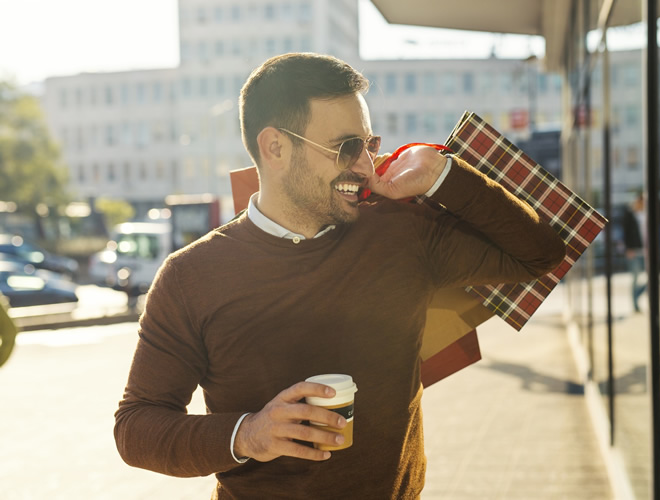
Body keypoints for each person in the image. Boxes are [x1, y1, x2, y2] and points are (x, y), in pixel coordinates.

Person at [113, 53, 566, 499]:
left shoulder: (401, 232)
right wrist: (248, 433)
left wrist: (442, 174)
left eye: (369, 145)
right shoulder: (190, 277)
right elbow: (136, 427)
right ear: (275, 148)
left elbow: (540, 255)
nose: (366, 166)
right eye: (347, 147)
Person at [622, 191, 647, 312]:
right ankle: (635, 302)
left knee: (650, 279)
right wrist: (628, 249)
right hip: (634, 250)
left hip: (646, 250)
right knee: (636, 277)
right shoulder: (630, 215)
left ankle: (637, 296)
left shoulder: (647, 215)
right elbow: (626, 233)